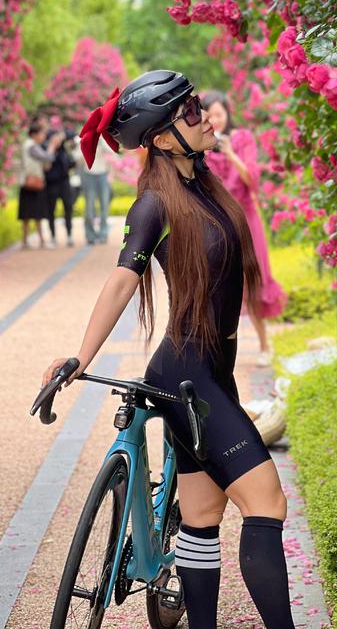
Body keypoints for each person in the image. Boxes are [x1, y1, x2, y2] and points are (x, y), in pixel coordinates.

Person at [41, 71, 297, 629]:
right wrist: (80, 359)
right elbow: (121, 281)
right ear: (159, 138)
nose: (203, 115)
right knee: (267, 502)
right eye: (188, 112)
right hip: (189, 378)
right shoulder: (154, 205)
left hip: (208, 372)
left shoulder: (203, 187)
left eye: (198, 104)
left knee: (203, 516)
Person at [202, 91, 287, 367]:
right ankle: (220, 353)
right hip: (218, 223)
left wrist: (230, 154)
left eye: (219, 114)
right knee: (221, 285)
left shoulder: (242, 139)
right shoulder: (201, 145)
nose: (215, 120)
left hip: (247, 221)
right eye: (209, 116)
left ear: (227, 112)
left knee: (254, 281)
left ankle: (265, 344)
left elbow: (252, 181)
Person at [18, 122, 64, 249]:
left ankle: (28, 241)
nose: (43, 136)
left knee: (28, 214)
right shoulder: (31, 146)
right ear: (34, 134)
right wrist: (52, 146)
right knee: (34, 213)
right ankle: (38, 241)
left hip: (29, 183)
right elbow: (47, 157)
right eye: (41, 133)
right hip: (32, 182)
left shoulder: (29, 145)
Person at [44, 118, 76, 247]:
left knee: (68, 208)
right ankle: (52, 236)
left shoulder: (63, 148)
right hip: (51, 184)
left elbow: (72, 135)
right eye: (54, 138)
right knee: (51, 210)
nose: (56, 140)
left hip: (64, 182)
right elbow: (45, 165)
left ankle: (69, 235)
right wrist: (51, 148)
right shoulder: (47, 149)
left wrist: (62, 136)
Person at [80, 135, 112, 245]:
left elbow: (112, 151)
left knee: (104, 206)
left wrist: (101, 142)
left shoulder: (103, 140)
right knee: (89, 207)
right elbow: (78, 156)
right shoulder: (85, 138)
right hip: (89, 175)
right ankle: (90, 235)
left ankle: (103, 234)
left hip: (102, 174)